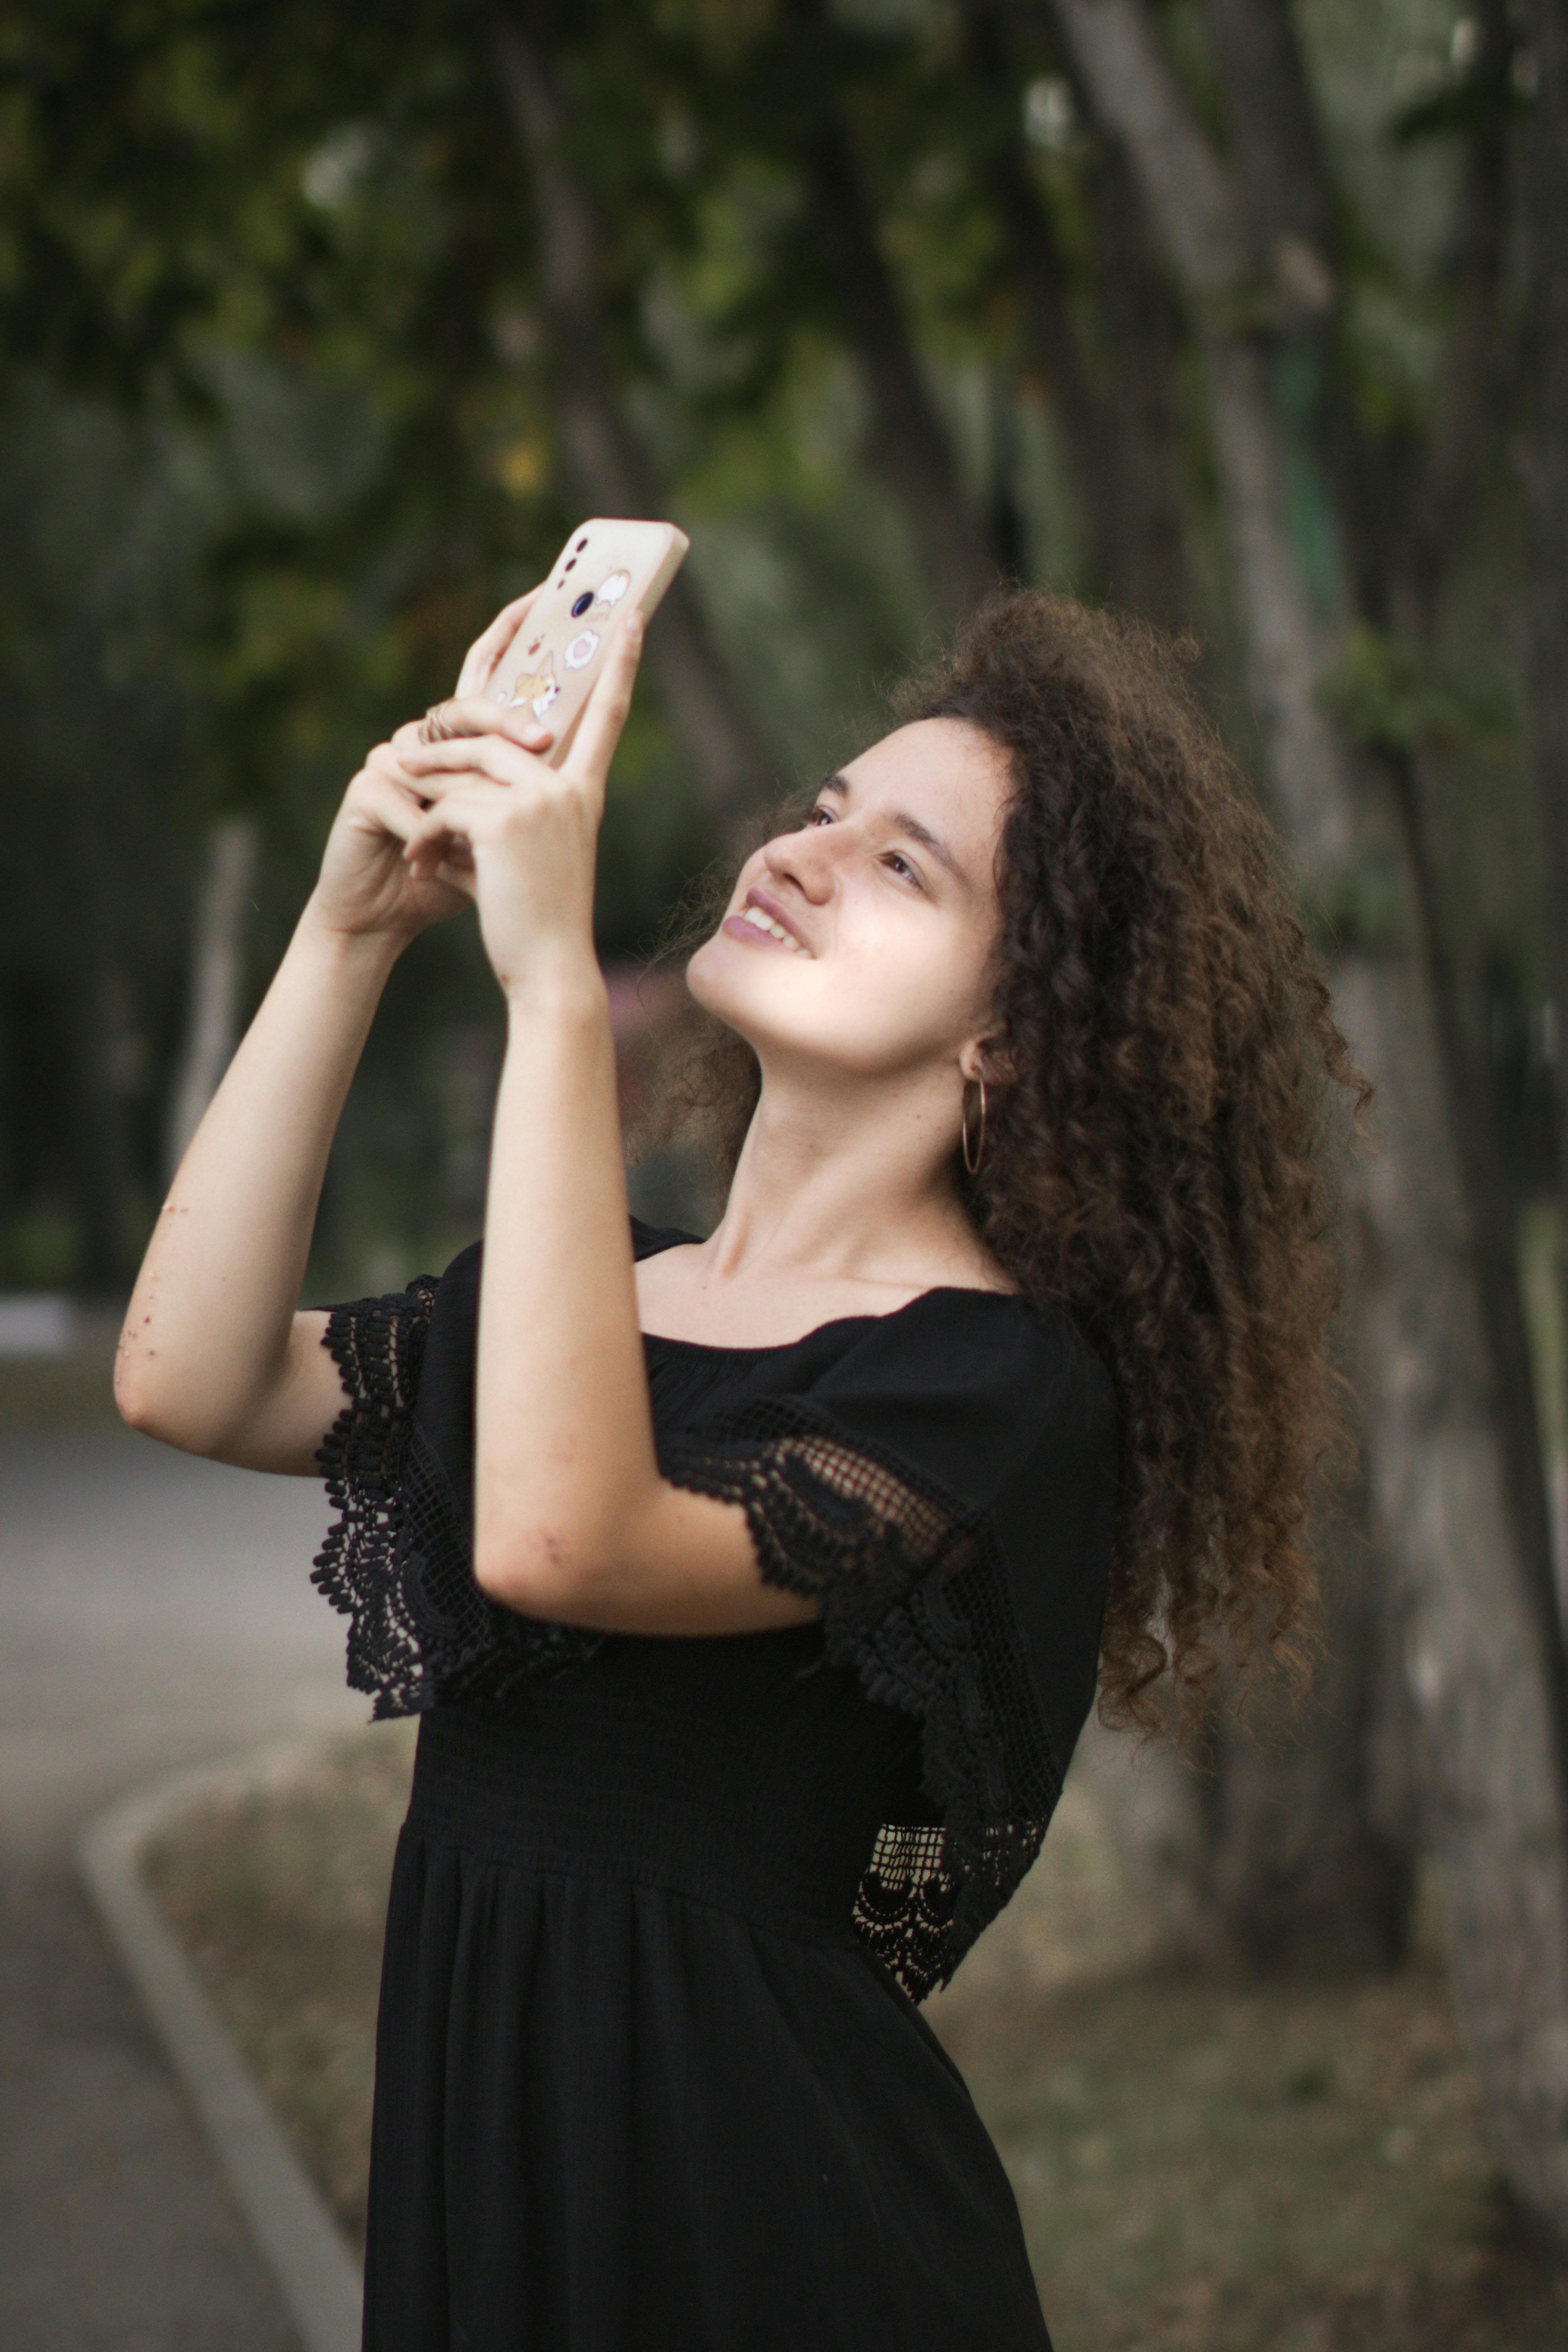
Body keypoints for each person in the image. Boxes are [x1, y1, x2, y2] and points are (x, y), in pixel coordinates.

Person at [115, 579, 1363, 2351]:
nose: (810, 851)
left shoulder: (986, 1387)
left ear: (1013, 1030)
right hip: (497, 2203)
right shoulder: (591, 1297)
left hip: (774, 2238)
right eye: (821, 811)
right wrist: (347, 935)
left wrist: (556, 982)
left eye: (904, 866)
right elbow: (190, 1373)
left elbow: (562, 1539)